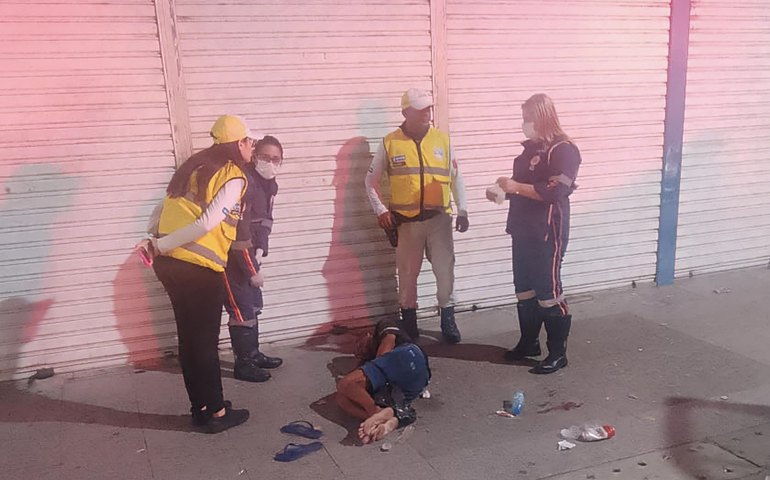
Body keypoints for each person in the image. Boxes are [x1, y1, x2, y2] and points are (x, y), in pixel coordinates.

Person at [134, 114, 255, 432]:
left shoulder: (194, 166)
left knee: (189, 339)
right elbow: (206, 223)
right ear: (238, 144)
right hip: (198, 269)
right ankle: (216, 413)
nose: (252, 147)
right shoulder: (233, 175)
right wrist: (158, 246)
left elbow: (163, 207)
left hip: (169, 265)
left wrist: (153, 241)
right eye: (250, 142)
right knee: (204, 343)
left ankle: (200, 407)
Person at [365, 88, 469, 343]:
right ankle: (409, 322)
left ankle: (448, 318)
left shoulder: (443, 141)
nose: (427, 113)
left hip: (439, 221)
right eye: (421, 109)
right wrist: (380, 211)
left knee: (445, 272)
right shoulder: (390, 142)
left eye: (429, 108)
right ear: (406, 113)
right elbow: (370, 181)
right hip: (407, 224)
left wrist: (463, 209)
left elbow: (457, 179)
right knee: (408, 274)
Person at [495, 94, 581, 375]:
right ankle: (529, 343)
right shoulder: (530, 150)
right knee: (524, 289)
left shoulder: (564, 150)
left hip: (547, 230)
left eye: (527, 118)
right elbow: (524, 185)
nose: (524, 124)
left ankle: (558, 353)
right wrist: (503, 190)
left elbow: (555, 191)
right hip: (522, 228)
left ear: (542, 118)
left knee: (548, 291)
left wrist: (515, 187)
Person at [224, 136, 284, 382]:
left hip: (251, 256)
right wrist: (251, 270)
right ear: (255, 154)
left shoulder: (268, 184)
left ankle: (253, 353)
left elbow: (264, 222)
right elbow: (239, 238)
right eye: (265, 157)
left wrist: (262, 250)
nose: (270, 163)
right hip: (233, 260)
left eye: (276, 159)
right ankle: (243, 363)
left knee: (254, 305)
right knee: (242, 311)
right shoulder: (244, 184)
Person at [336, 319, 430, 444]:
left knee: (345, 384)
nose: (360, 350)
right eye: (358, 353)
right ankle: (388, 420)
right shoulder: (373, 364)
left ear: (368, 335)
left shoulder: (384, 326)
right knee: (342, 398)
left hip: (408, 355)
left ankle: (374, 412)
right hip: (414, 385)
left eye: (359, 344)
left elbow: (386, 347)